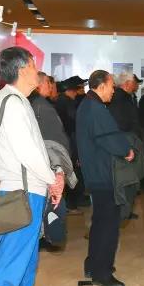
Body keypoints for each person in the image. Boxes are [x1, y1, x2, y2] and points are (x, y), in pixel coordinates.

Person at [0, 47, 64, 286]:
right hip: (22, 192)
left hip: (28, 189)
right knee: (11, 263)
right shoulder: (13, 103)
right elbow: (28, 153)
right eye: (33, 65)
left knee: (26, 261)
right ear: (21, 70)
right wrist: (52, 178)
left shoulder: (16, 100)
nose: (37, 70)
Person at [77, 70, 134, 286]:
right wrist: (127, 150)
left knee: (100, 222)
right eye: (111, 86)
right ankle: (102, 273)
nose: (113, 91)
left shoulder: (87, 104)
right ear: (101, 86)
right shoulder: (96, 108)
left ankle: (93, 264)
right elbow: (110, 138)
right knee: (109, 224)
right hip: (103, 174)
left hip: (95, 173)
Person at [28, 72, 75, 250]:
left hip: (44, 164)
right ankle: (48, 236)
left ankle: (44, 236)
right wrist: (59, 167)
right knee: (51, 204)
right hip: (50, 165)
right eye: (48, 83)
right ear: (39, 85)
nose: (51, 86)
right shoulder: (42, 107)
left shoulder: (38, 104)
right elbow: (52, 142)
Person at [108, 72, 144, 222]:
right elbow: (122, 123)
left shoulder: (125, 97)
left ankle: (126, 211)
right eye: (134, 82)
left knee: (130, 180)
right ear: (127, 83)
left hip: (129, 141)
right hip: (126, 143)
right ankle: (122, 212)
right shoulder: (119, 99)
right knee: (126, 181)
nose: (136, 85)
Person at [54, 76, 89, 214]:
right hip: (68, 143)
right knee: (72, 172)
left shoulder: (64, 101)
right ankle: (71, 204)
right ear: (70, 90)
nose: (78, 92)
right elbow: (73, 123)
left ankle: (74, 201)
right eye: (76, 89)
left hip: (68, 142)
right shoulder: (66, 103)